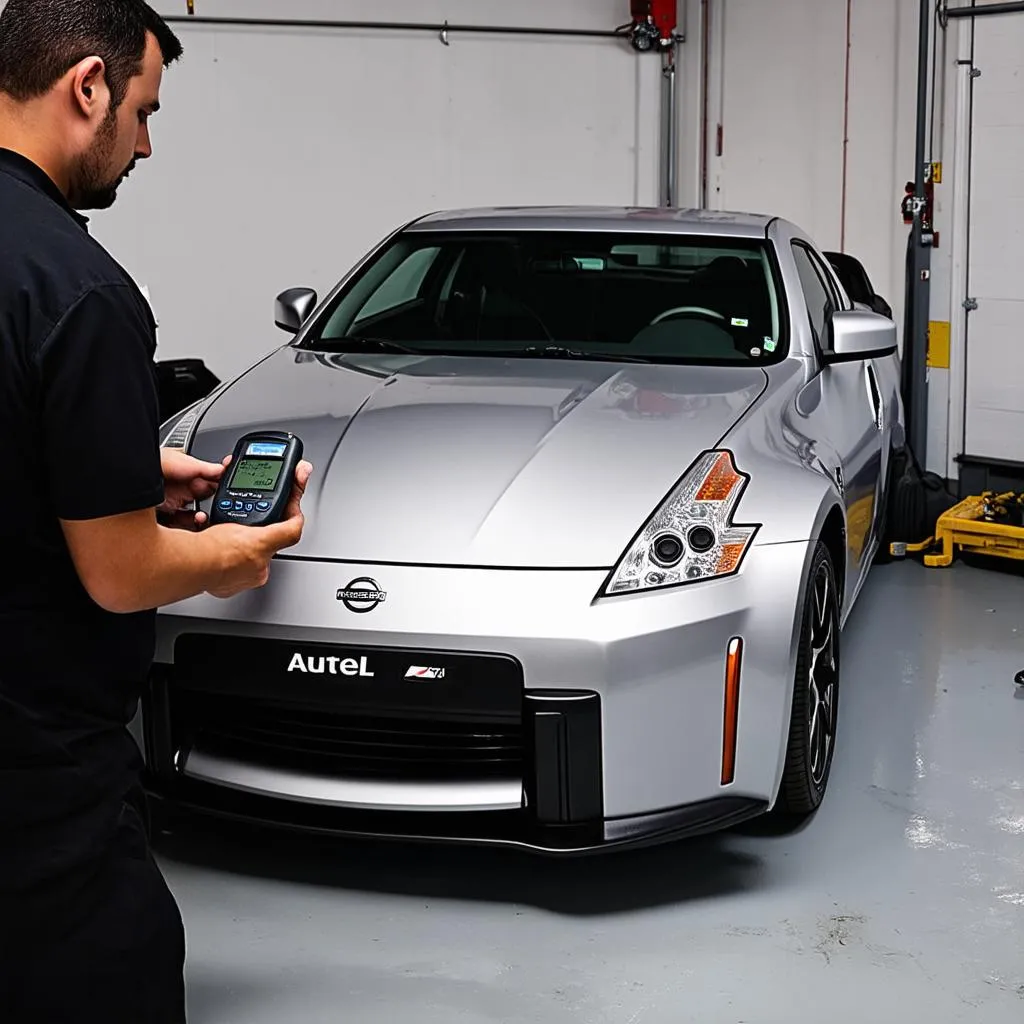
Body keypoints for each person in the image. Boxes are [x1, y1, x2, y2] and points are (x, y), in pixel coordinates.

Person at [0, 2, 312, 1021]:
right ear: (88, 85)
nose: (144, 143)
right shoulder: (76, 288)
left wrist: (119, 466)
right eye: (143, 109)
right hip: (35, 773)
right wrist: (227, 553)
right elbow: (122, 571)